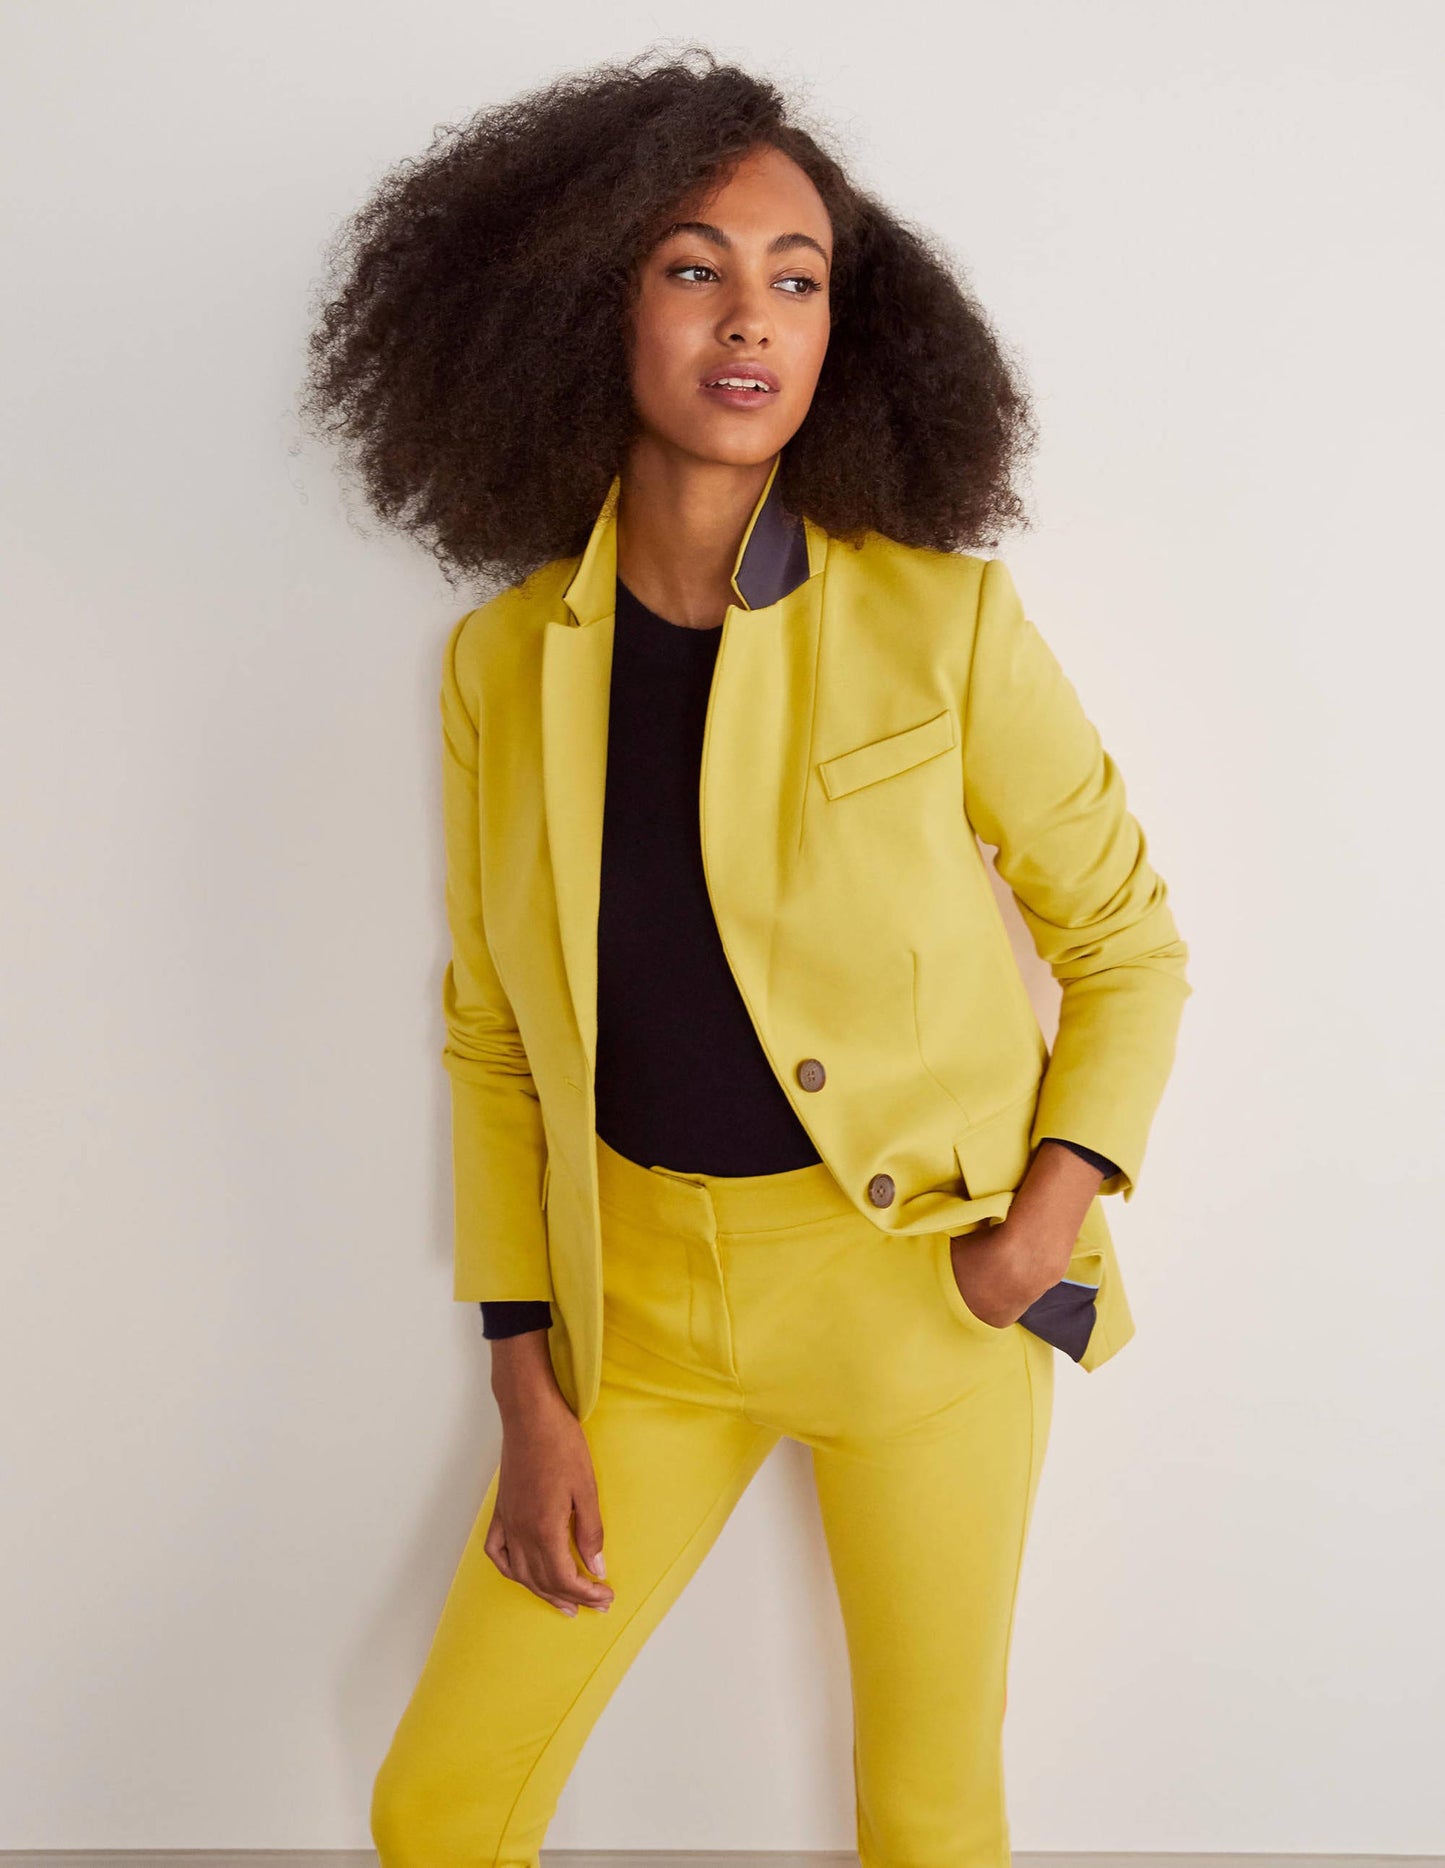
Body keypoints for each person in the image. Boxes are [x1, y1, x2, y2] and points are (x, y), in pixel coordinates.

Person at [301, 45, 1191, 1868]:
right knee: (439, 1806)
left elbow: (1126, 943)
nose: (751, 317)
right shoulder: (501, 665)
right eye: (693, 266)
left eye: (799, 277)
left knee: (927, 1817)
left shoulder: (941, 623)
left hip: (913, 1300)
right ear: (589, 303)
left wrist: (1037, 1229)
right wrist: (525, 1380)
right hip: (638, 1322)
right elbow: (492, 1036)